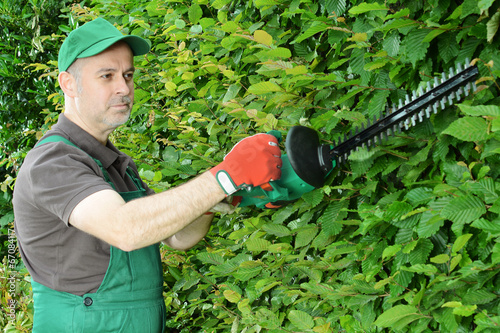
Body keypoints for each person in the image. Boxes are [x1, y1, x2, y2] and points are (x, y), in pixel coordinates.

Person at [12, 18, 282, 332]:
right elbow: (126, 228)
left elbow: (177, 236)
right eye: (107, 76)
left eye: (128, 75)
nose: (124, 88)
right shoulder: (52, 162)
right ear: (69, 84)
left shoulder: (114, 164)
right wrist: (225, 175)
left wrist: (218, 197)